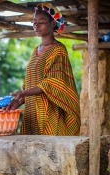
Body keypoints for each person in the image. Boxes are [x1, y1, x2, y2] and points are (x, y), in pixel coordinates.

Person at [6, 3, 80, 136]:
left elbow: (52, 83)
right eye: (34, 22)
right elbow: (30, 83)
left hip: (49, 112)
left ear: (53, 24)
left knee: (50, 151)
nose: (36, 25)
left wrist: (23, 93)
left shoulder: (58, 50)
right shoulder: (36, 50)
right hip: (32, 112)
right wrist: (18, 101)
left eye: (42, 22)